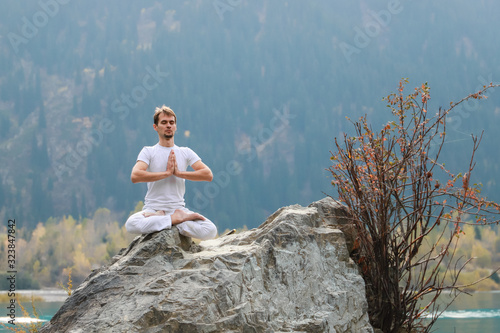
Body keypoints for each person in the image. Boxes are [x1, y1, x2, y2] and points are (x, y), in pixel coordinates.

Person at [125, 105, 217, 240]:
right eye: (164, 122)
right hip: (153, 210)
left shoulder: (185, 152)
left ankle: (171, 219)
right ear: (155, 127)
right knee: (131, 224)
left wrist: (179, 173)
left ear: (175, 127)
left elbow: (207, 174)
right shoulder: (148, 151)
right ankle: (174, 220)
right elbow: (135, 175)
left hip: (179, 209)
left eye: (171, 122)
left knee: (210, 230)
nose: (168, 125)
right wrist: (166, 173)